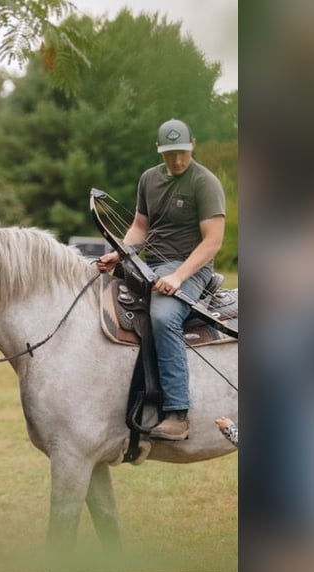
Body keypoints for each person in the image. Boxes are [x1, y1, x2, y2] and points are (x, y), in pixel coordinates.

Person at [97, 118, 226, 440]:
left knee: (163, 316)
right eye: (171, 154)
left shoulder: (204, 182)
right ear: (160, 150)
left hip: (190, 268)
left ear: (192, 145)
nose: (178, 160)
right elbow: (141, 227)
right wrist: (122, 253)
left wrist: (179, 276)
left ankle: (177, 413)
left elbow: (213, 241)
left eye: (182, 152)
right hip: (148, 265)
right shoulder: (149, 179)